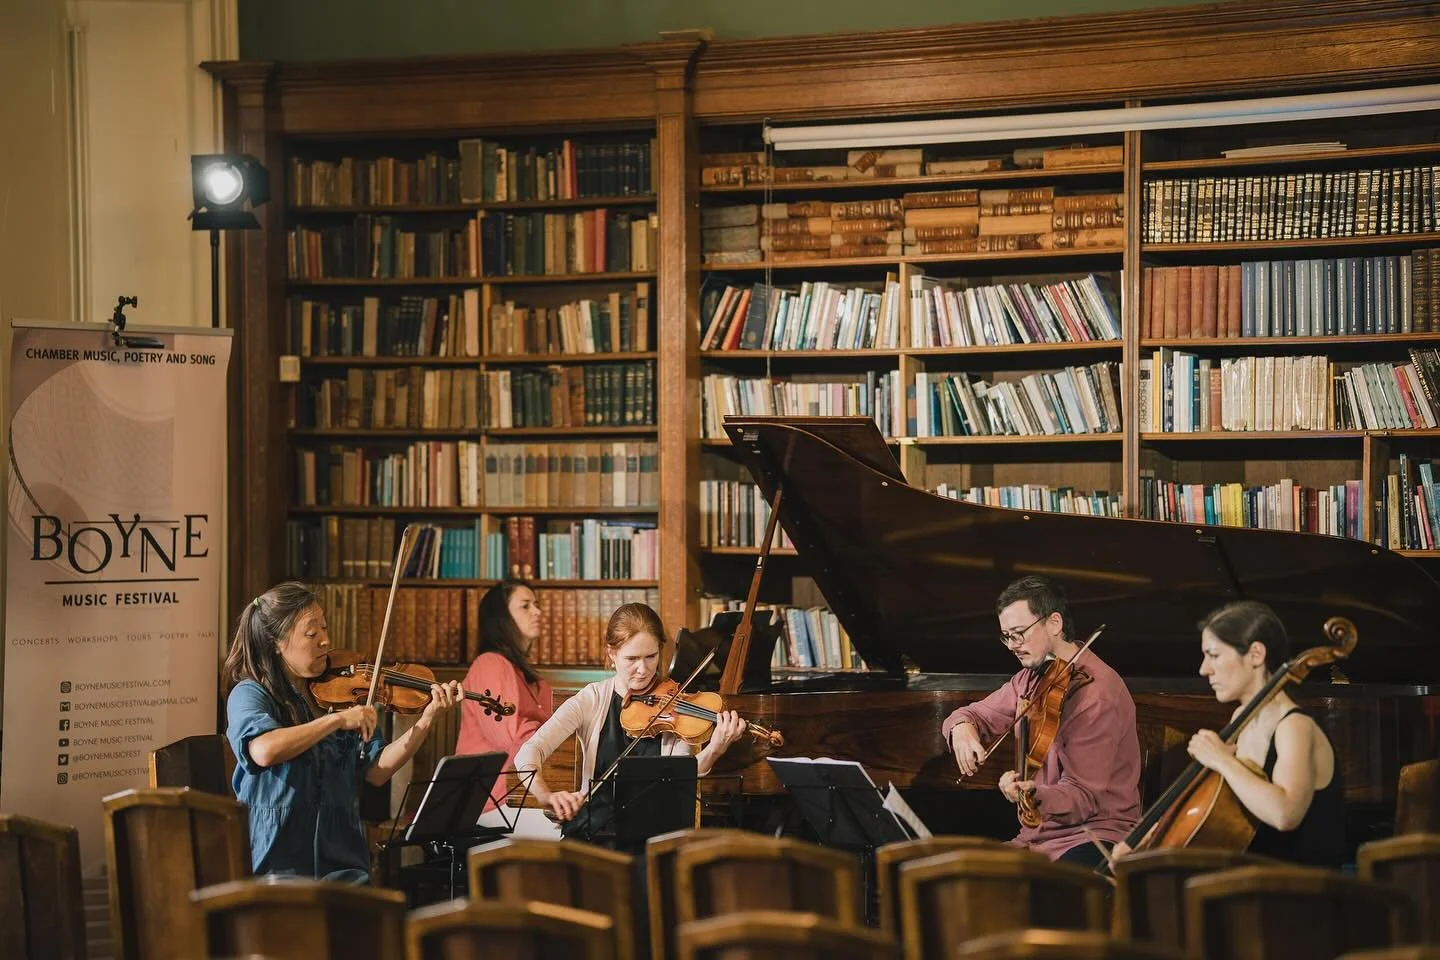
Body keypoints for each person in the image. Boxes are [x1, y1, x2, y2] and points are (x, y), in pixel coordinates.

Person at [223, 581, 463, 883]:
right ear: (276, 643)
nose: (326, 641)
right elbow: (263, 750)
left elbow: (377, 770)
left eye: (325, 628)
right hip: (278, 863)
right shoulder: (250, 693)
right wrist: (334, 721)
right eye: (312, 633)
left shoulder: (343, 696)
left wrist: (427, 720)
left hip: (342, 860)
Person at [1116, 600, 1343, 867]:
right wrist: (1149, 841)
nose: (1203, 669)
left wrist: (1222, 761)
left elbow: (1285, 814)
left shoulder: (1294, 726)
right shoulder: (1241, 719)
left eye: (1213, 655)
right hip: (1250, 884)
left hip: (1298, 893)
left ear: (1256, 654)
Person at [942, 575, 1141, 867]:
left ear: (1054, 623)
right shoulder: (1030, 678)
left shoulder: (1096, 695)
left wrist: (1034, 794)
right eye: (1006, 636)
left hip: (1094, 837)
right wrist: (961, 729)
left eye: (1019, 633)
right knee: (953, 875)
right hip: (1035, 839)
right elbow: (973, 714)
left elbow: (1082, 798)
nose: (1012, 645)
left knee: (1040, 897)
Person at [513, 601, 746, 849]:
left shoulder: (674, 702)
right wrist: (544, 794)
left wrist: (715, 749)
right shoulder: (592, 699)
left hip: (654, 837)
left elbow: (684, 773)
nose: (643, 670)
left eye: (651, 657)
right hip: (596, 832)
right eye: (631, 659)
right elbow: (529, 751)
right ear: (611, 654)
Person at [455, 579, 553, 811]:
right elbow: (510, 736)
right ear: (502, 617)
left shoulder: (536, 680)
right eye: (525, 606)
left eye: (536, 604)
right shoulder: (490, 664)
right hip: (490, 799)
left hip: (523, 794)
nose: (537, 611)